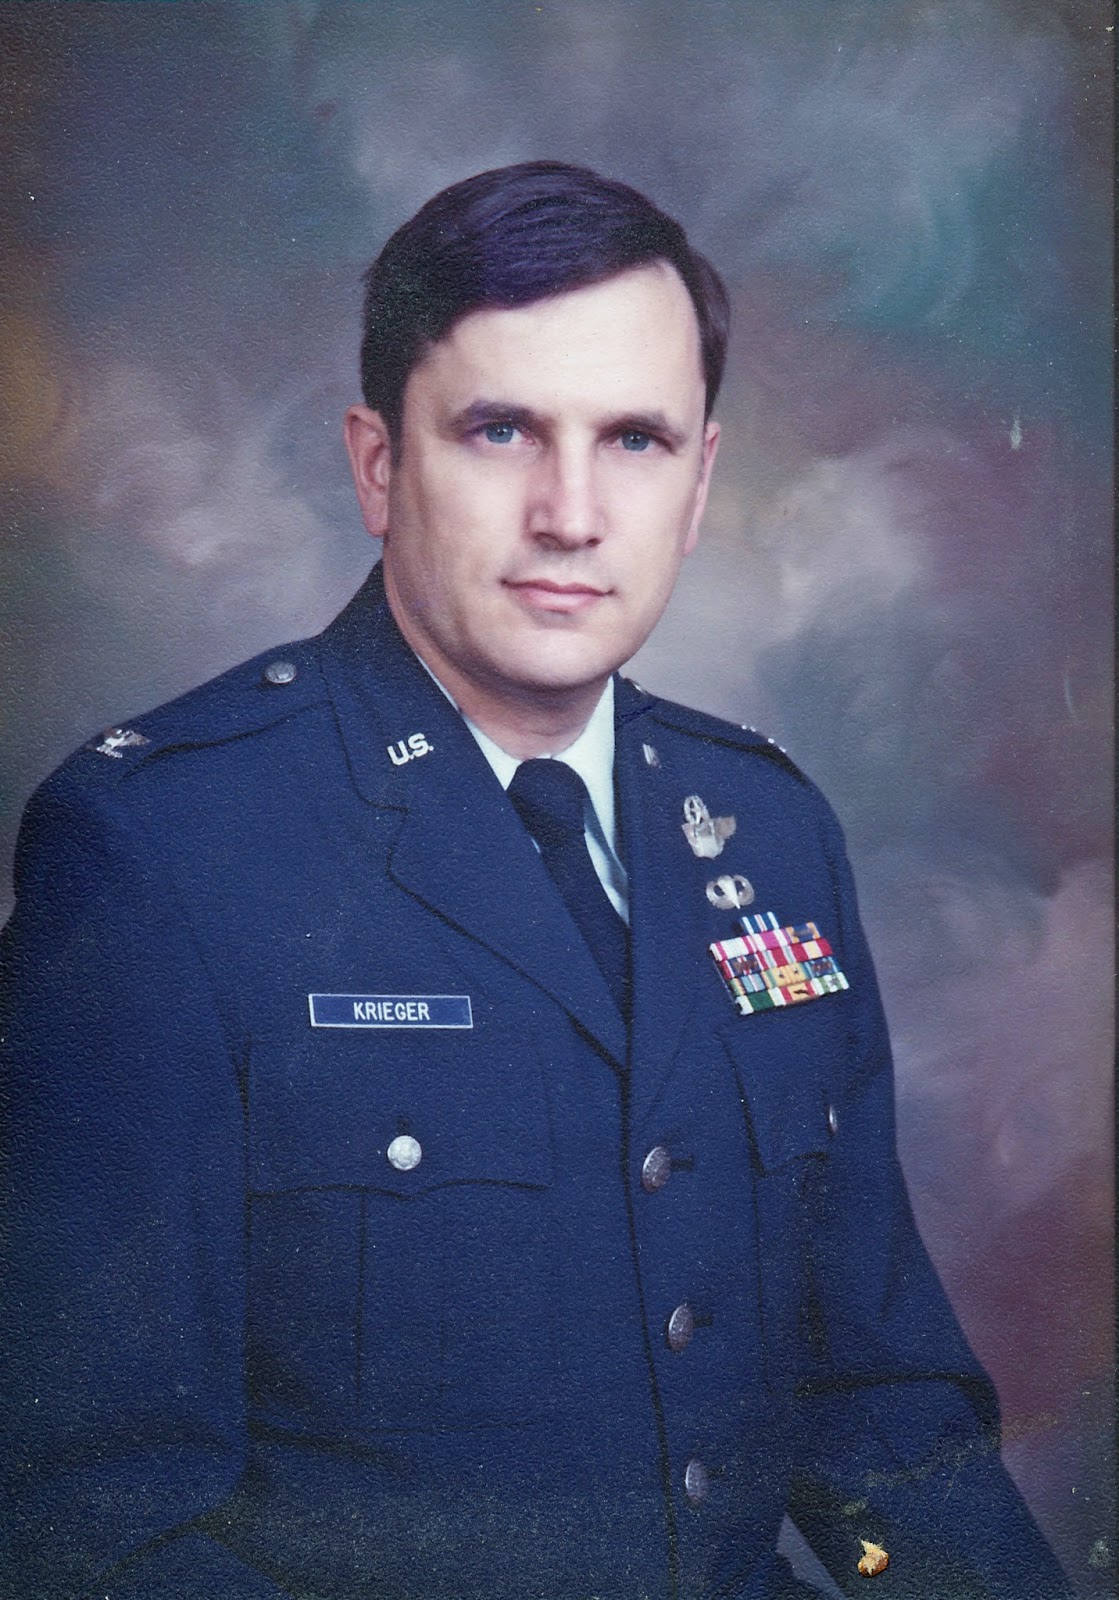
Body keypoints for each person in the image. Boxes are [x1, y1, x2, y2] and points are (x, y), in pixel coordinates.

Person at [0, 162, 1071, 1600]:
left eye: (634, 440)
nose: (572, 513)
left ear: (699, 484)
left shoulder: (770, 829)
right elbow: (94, 1522)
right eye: (501, 431)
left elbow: (884, 1420)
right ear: (379, 466)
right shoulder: (163, 849)